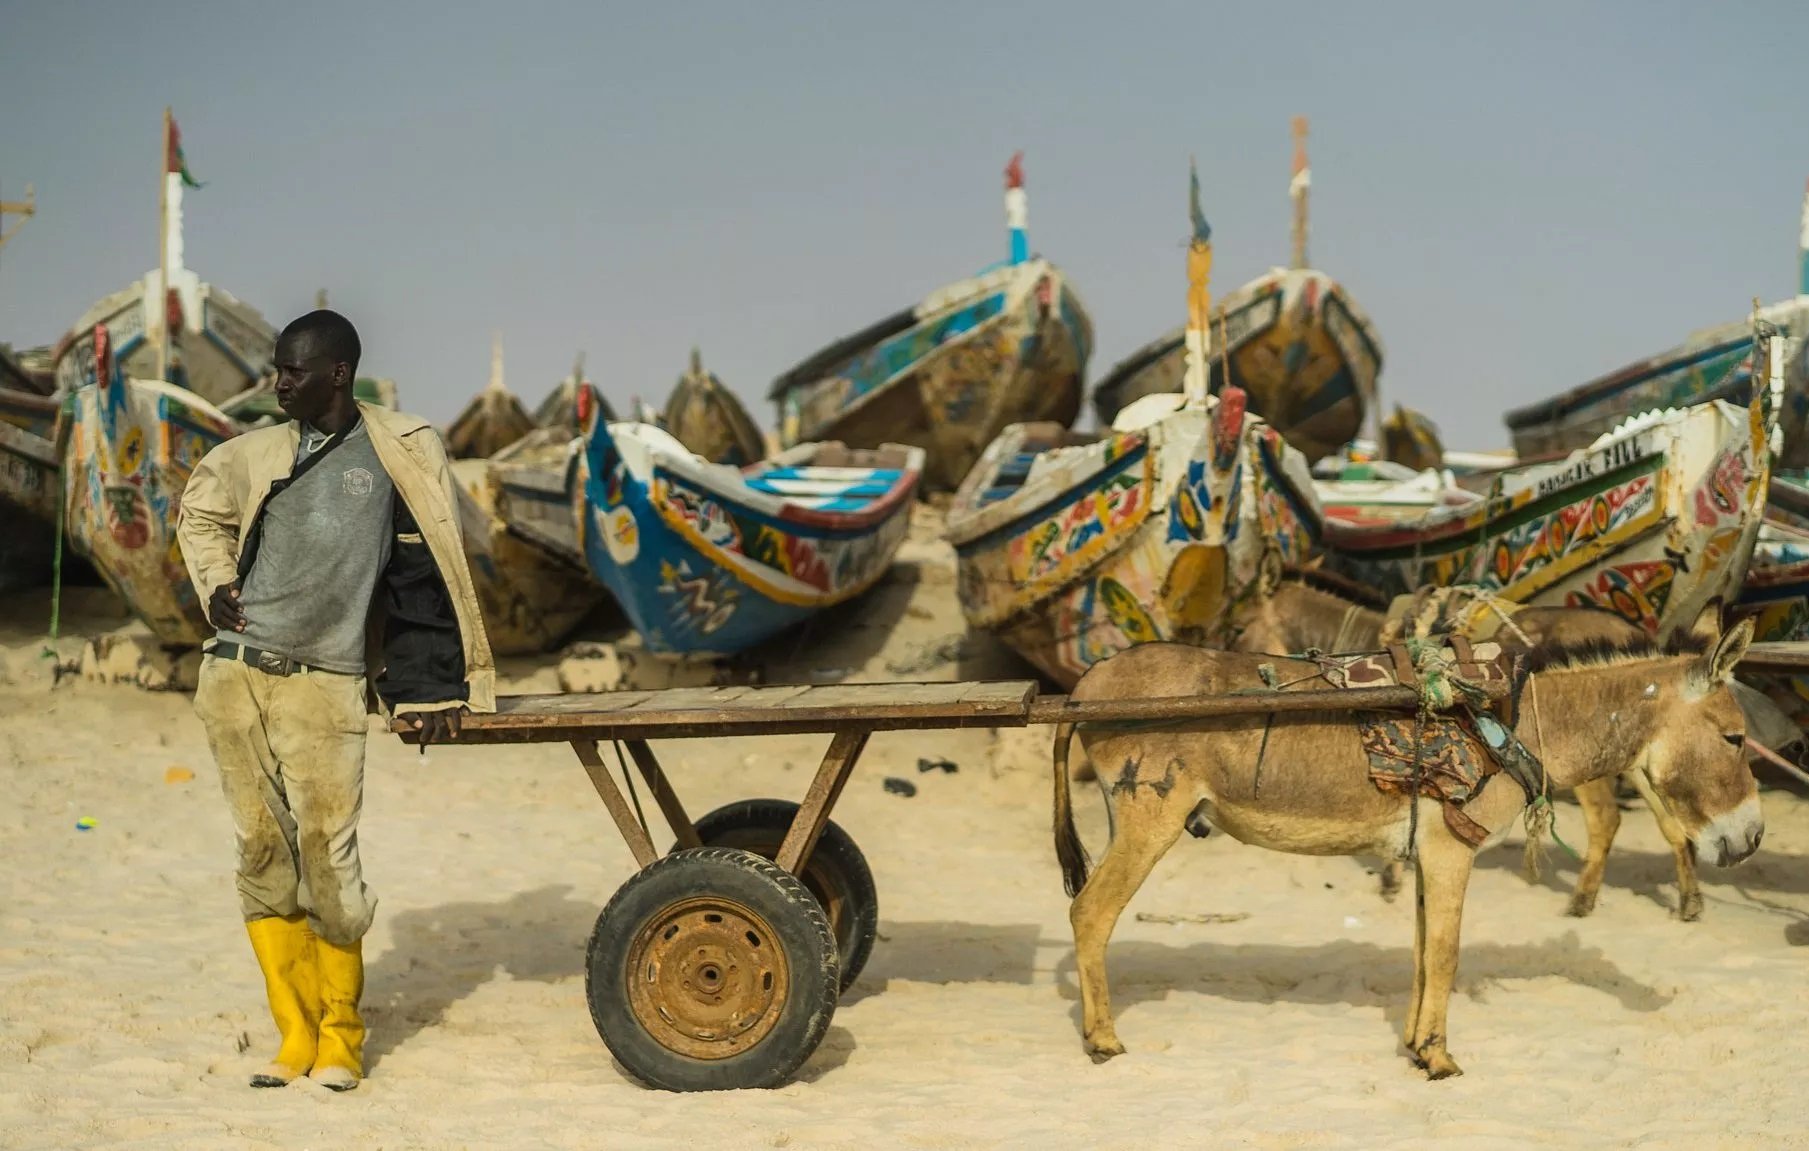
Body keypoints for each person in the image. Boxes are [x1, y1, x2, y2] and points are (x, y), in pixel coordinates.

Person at [177, 309, 494, 1091]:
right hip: (235, 675)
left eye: (291, 370)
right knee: (261, 852)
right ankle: (295, 1035)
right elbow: (200, 513)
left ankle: (343, 1038)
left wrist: (431, 686)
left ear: (337, 373)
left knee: (329, 856)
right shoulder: (254, 452)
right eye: (277, 367)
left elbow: (425, 572)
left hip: (327, 682)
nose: (277, 382)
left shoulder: (398, 452)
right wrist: (215, 583)